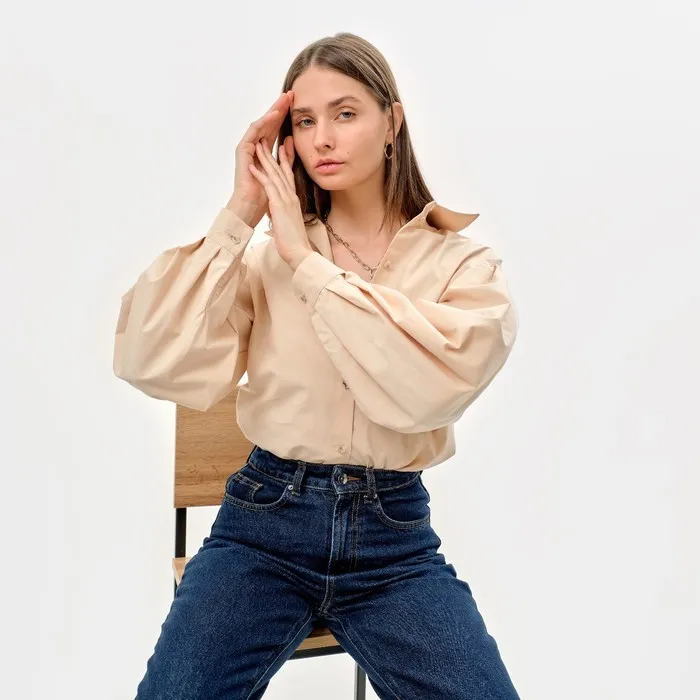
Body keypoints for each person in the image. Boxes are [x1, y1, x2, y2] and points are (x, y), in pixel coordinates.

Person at [114, 31, 521, 700]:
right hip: (261, 529)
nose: (322, 138)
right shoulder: (263, 256)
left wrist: (307, 264)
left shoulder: (462, 267)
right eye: (304, 121)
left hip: (393, 543)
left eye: (346, 113)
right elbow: (148, 357)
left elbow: (425, 393)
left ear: (392, 122)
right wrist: (243, 212)